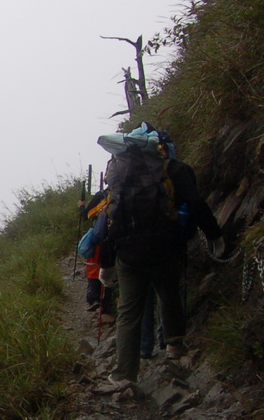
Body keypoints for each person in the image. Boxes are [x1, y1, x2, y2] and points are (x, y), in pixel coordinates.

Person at [94, 125, 226, 385]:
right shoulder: (175, 170)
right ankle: (174, 346)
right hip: (165, 247)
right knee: (169, 294)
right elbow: (197, 204)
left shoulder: (119, 175)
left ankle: (124, 375)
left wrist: (106, 263)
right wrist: (214, 234)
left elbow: (110, 220)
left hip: (128, 253)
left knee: (129, 312)